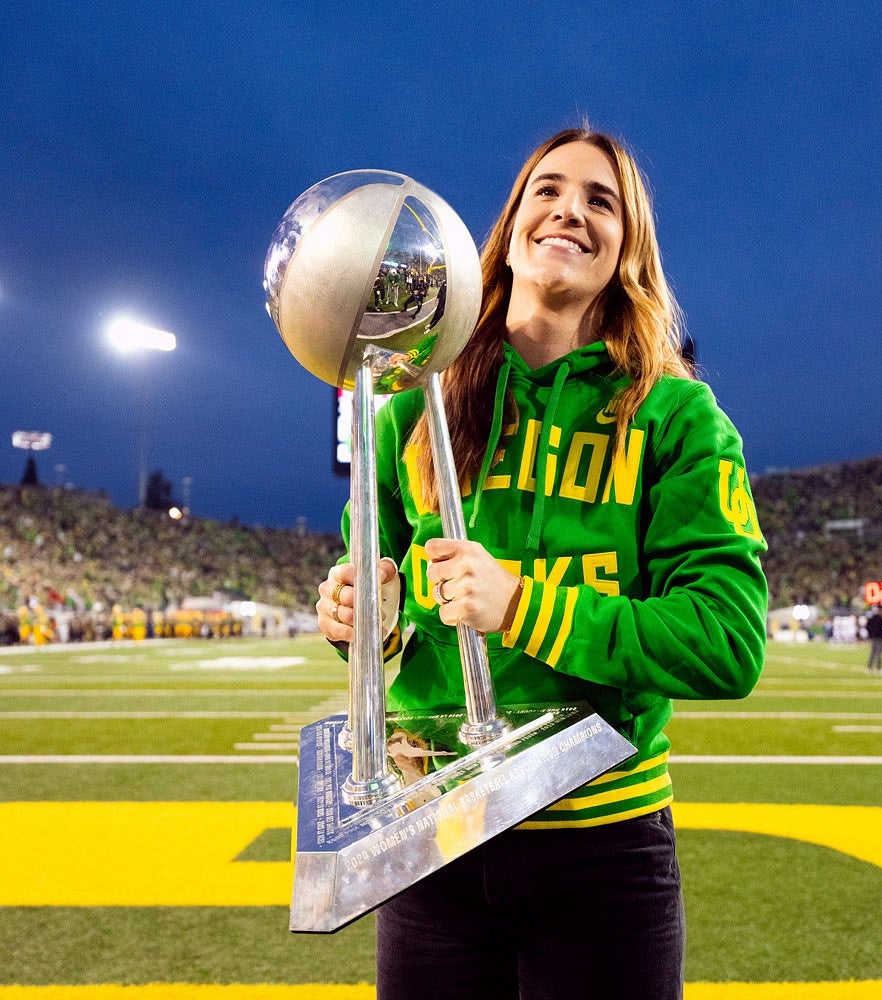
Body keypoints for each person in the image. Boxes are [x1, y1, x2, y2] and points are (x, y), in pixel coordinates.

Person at [316, 127, 768, 1000]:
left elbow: (728, 640)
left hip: (602, 849)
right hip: (434, 833)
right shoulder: (409, 402)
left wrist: (524, 605)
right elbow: (376, 595)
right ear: (510, 225)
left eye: (602, 201)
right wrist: (356, 617)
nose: (571, 210)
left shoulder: (678, 417)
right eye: (548, 191)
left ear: (628, 247)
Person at [866, 606, 882, 673]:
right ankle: (870, 667)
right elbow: (868, 626)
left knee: (879, 653)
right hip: (875, 637)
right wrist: (871, 634)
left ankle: (878, 668)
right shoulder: (874, 618)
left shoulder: (881, 618)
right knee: (874, 653)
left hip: (880, 638)